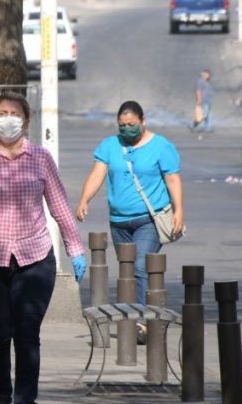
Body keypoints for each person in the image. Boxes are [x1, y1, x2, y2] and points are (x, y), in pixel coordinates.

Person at [0, 92, 87, 404]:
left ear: (26, 121)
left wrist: (75, 247)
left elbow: (59, 205)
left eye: (14, 113)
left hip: (34, 258)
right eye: (2, 113)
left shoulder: (41, 159)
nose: (7, 119)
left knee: (27, 333)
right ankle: (1, 401)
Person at [75, 100, 184, 343]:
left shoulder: (161, 147)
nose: (127, 129)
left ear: (143, 121)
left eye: (132, 124)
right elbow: (97, 174)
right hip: (119, 221)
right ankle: (135, 316)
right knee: (128, 271)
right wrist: (84, 199)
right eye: (122, 125)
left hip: (148, 219)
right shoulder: (110, 146)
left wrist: (179, 212)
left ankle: (144, 322)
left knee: (140, 267)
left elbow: (173, 180)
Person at [189, 69, 213, 133]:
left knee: (207, 115)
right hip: (203, 101)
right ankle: (192, 125)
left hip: (208, 101)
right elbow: (198, 91)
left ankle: (208, 128)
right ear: (203, 74)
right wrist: (199, 100)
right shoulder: (200, 81)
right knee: (203, 115)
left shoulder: (207, 82)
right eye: (207, 74)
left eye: (209, 75)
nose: (208, 76)